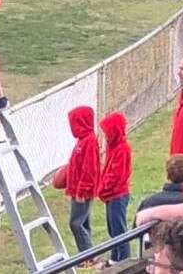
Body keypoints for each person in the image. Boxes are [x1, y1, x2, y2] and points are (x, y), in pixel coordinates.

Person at [65, 106, 101, 267]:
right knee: (83, 223)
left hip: (82, 192)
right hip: (77, 189)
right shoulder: (82, 140)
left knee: (76, 223)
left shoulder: (89, 141)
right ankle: (87, 254)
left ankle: (88, 256)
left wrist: (82, 190)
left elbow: (89, 169)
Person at [97, 112, 132, 265]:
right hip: (111, 195)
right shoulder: (113, 147)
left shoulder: (122, 149)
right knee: (113, 229)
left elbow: (116, 175)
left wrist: (103, 187)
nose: (105, 136)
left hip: (117, 195)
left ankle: (124, 259)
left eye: (106, 132)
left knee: (119, 229)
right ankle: (115, 257)